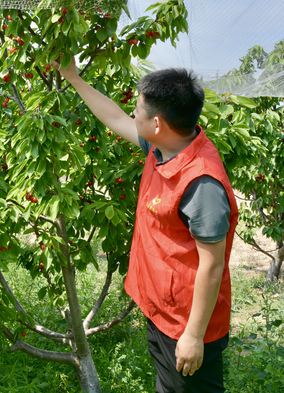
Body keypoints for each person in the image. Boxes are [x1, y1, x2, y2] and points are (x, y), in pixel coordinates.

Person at [56, 60, 238, 393]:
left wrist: (194, 335)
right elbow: (113, 118)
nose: (132, 114)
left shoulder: (202, 184)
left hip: (185, 323)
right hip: (163, 311)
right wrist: (73, 77)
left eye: (137, 109)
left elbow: (212, 265)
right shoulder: (163, 147)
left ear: (157, 122)